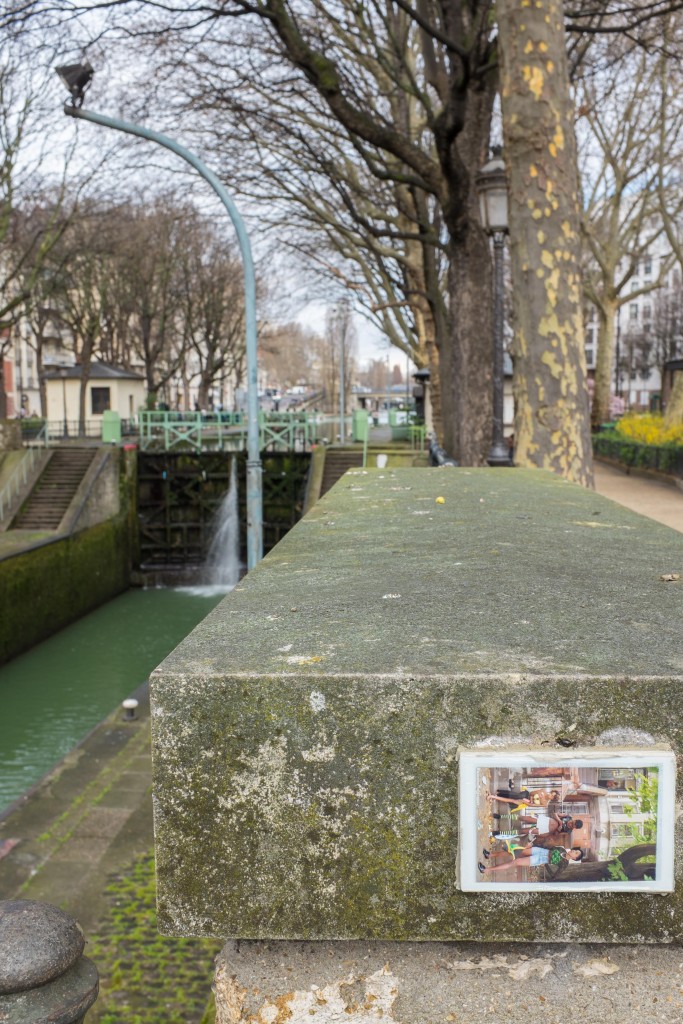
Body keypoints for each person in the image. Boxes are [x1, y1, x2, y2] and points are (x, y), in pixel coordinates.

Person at [479, 845, 583, 875]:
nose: (574, 851)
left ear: (575, 858)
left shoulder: (564, 864)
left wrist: (546, 865)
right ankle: (490, 855)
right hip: (540, 850)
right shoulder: (562, 849)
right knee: (515, 852)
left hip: (539, 859)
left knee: (515, 862)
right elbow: (549, 847)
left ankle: (487, 869)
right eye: (575, 850)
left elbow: (554, 876)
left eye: (576, 853)